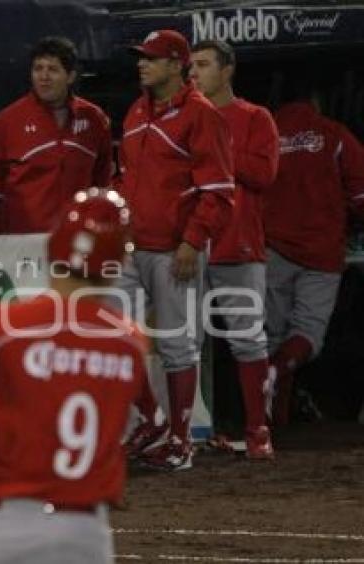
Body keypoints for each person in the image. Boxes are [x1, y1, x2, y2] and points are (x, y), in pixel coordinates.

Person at [0, 189, 144, 564]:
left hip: (3, 528)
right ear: (117, 262)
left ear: (54, 250)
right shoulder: (132, 344)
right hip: (86, 534)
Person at [118, 30, 234, 470]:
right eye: (140, 57)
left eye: (150, 58)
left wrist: (191, 241)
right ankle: (152, 420)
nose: (141, 65)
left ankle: (181, 441)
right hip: (133, 245)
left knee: (177, 347)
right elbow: (127, 177)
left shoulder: (202, 115)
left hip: (174, 248)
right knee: (112, 331)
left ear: (175, 65)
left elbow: (219, 191)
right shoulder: (136, 110)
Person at [189, 40, 278, 459]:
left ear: (227, 71)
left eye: (203, 65)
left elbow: (263, 173)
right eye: (190, 66)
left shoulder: (255, 117)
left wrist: (213, 151)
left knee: (247, 341)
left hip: (237, 245)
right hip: (187, 246)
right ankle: (186, 433)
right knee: (183, 341)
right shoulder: (181, 117)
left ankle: (258, 431)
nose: (194, 73)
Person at [263, 79, 364, 425]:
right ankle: (275, 375)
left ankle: (271, 418)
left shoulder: (265, 133)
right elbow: (361, 191)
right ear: (316, 100)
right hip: (321, 252)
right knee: (307, 333)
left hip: (272, 248)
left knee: (272, 334)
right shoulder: (332, 132)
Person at [0, 36, 112, 234]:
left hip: (78, 241)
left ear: (70, 76)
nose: (43, 77)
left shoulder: (95, 120)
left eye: (52, 69)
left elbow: (103, 184)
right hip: (22, 245)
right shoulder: (3, 124)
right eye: (38, 69)